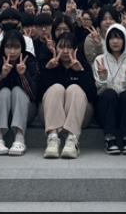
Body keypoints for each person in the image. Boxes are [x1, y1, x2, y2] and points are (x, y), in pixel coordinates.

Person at [39, 32, 96, 160]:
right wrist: (48, 70)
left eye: (69, 47)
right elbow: (39, 94)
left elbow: (92, 94)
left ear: (76, 48)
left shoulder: (84, 66)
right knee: (56, 88)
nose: (65, 51)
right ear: (55, 48)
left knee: (74, 88)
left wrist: (80, 71)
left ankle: (72, 140)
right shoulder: (49, 65)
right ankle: (53, 139)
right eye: (61, 47)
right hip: (50, 117)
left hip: (81, 117)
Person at [0, 30, 40, 156]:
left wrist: (23, 75)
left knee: (17, 90)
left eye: (16, 47)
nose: (12, 51)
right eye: (8, 47)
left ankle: (19, 138)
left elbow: (34, 94)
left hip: (25, 113)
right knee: (4, 92)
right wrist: (2, 76)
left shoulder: (30, 63)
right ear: (3, 47)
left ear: (22, 48)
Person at [92, 25, 126, 155]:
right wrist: (103, 77)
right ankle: (110, 138)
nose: (115, 41)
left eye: (119, 38)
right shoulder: (99, 60)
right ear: (107, 41)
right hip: (107, 111)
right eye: (112, 38)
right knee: (109, 94)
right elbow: (98, 92)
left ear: (125, 40)